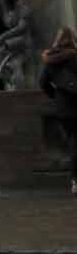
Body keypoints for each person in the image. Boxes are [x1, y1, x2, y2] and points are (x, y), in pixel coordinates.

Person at [38, 26, 77, 193]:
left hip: (62, 108)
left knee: (72, 141)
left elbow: (42, 83)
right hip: (75, 105)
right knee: (75, 143)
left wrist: (55, 95)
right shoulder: (74, 57)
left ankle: (75, 179)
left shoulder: (50, 59)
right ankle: (75, 179)